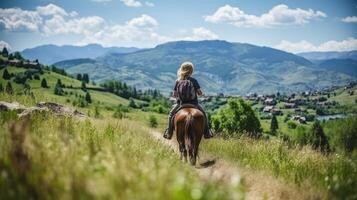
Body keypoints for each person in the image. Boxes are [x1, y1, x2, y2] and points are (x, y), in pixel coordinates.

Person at [163, 61, 214, 140]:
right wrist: (200, 94)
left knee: (170, 115)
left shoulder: (178, 81)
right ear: (191, 71)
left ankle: (169, 133)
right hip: (194, 104)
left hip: (181, 104)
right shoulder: (193, 80)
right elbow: (199, 93)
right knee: (204, 115)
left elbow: (175, 95)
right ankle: (207, 133)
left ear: (182, 69)